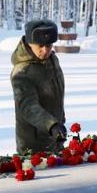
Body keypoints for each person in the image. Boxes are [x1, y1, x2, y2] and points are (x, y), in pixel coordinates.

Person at [10, 19, 67, 153]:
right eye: (40, 46)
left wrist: (59, 121)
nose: (45, 50)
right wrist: (51, 125)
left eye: (49, 45)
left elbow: (56, 94)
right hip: (33, 145)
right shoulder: (22, 72)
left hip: (55, 136)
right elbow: (28, 106)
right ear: (30, 44)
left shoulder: (52, 60)